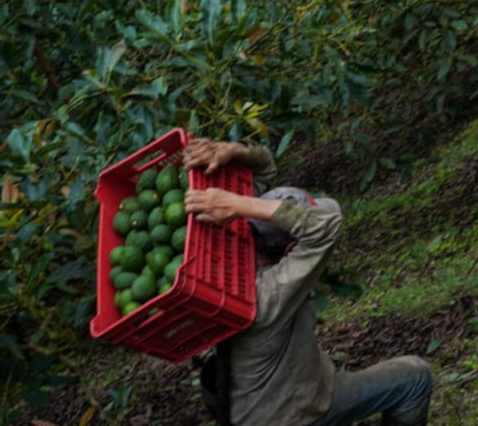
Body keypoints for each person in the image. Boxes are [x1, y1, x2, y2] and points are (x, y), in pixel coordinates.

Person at [182, 138, 433, 426]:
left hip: (250, 408)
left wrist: (236, 152)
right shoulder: (265, 295)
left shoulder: (232, 253)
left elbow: (263, 170)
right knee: (414, 377)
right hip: (292, 417)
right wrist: (239, 203)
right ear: (290, 248)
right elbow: (325, 229)